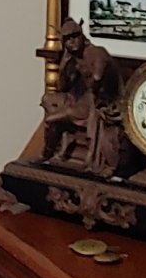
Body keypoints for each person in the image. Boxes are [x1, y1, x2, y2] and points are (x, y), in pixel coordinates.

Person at [37, 19, 126, 177]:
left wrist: (83, 72)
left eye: (75, 36)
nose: (72, 42)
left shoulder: (97, 53)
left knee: (54, 118)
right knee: (48, 99)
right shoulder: (72, 57)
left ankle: (48, 151)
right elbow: (62, 86)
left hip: (101, 101)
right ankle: (62, 143)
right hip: (81, 98)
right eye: (67, 39)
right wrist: (64, 65)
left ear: (82, 36)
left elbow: (97, 80)